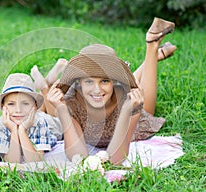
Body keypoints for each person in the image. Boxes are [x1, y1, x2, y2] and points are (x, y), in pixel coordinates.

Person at [32, 17, 176, 165]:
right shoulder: (71, 101)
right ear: (79, 83)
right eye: (88, 81)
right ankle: (153, 55)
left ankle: (152, 47)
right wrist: (62, 111)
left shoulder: (126, 97)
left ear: (114, 81)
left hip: (127, 114)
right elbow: (78, 157)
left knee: (146, 109)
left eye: (105, 81)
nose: (96, 89)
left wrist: (128, 111)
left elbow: (115, 159)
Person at [0, 73, 62, 163]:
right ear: (3, 106)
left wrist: (22, 130)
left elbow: (35, 161)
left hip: (51, 127)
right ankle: (44, 85)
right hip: (29, 115)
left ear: (35, 106)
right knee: (36, 112)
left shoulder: (40, 122)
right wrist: (14, 130)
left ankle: (45, 88)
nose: (18, 110)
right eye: (11, 104)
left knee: (55, 119)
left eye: (25, 103)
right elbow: (12, 162)